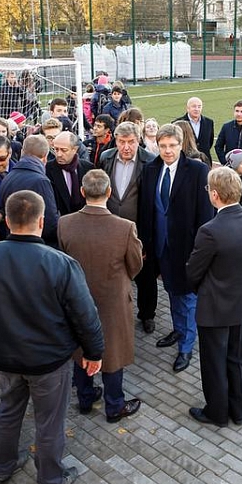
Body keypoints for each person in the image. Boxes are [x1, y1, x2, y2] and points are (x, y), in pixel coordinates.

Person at [0, 190, 104, 484]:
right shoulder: (60, 263)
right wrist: (94, 352)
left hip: (4, 359)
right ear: (41, 221)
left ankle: (3, 466)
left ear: (7, 220)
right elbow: (85, 315)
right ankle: (50, 480)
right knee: (49, 422)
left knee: (8, 410)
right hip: (48, 363)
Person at [58, 170, 143, 423]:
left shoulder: (65, 223)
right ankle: (114, 405)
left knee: (81, 346)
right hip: (113, 301)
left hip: (77, 299)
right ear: (109, 192)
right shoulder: (125, 228)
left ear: (82, 192)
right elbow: (135, 265)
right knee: (113, 352)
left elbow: (64, 261)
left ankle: (85, 397)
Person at [185, 167, 242, 427]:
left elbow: (193, 272)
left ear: (215, 195)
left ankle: (217, 413)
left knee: (214, 363)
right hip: (239, 302)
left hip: (214, 308)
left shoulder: (210, 230)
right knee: (236, 359)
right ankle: (236, 412)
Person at [138, 123, 213, 373]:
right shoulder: (151, 169)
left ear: (181, 145)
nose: (167, 150)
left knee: (188, 298)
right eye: (163, 146)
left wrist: (199, 251)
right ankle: (179, 330)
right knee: (172, 292)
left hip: (187, 249)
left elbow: (205, 215)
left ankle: (186, 346)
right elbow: (146, 210)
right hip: (160, 247)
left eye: (172, 145)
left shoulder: (198, 171)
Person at [98, 121, 158, 334]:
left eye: (131, 142)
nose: (126, 147)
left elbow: (153, 203)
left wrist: (146, 239)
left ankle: (147, 314)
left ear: (138, 140)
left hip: (138, 231)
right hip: (110, 229)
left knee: (145, 276)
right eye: (122, 141)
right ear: (115, 140)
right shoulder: (106, 158)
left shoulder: (150, 161)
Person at [0, 135, 59, 248]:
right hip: (36, 246)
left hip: (12, 243)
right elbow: (50, 224)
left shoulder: (8, 177)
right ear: (45, 157)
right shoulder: (40, 181)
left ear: (22, 152)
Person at [46, 131, 94, 216]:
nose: (59, 154)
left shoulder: (88, 168)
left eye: (64, 150)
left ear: (74, 149)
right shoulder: (47, 169)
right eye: (56, 149)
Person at [174, 97, 215, 163]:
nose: (197, 109)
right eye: (194, 106)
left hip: (205, 161)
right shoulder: (177, 123)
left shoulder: (209, 122)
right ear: (187, 108)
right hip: (185, 161)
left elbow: (210, 141)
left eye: (199, 106)